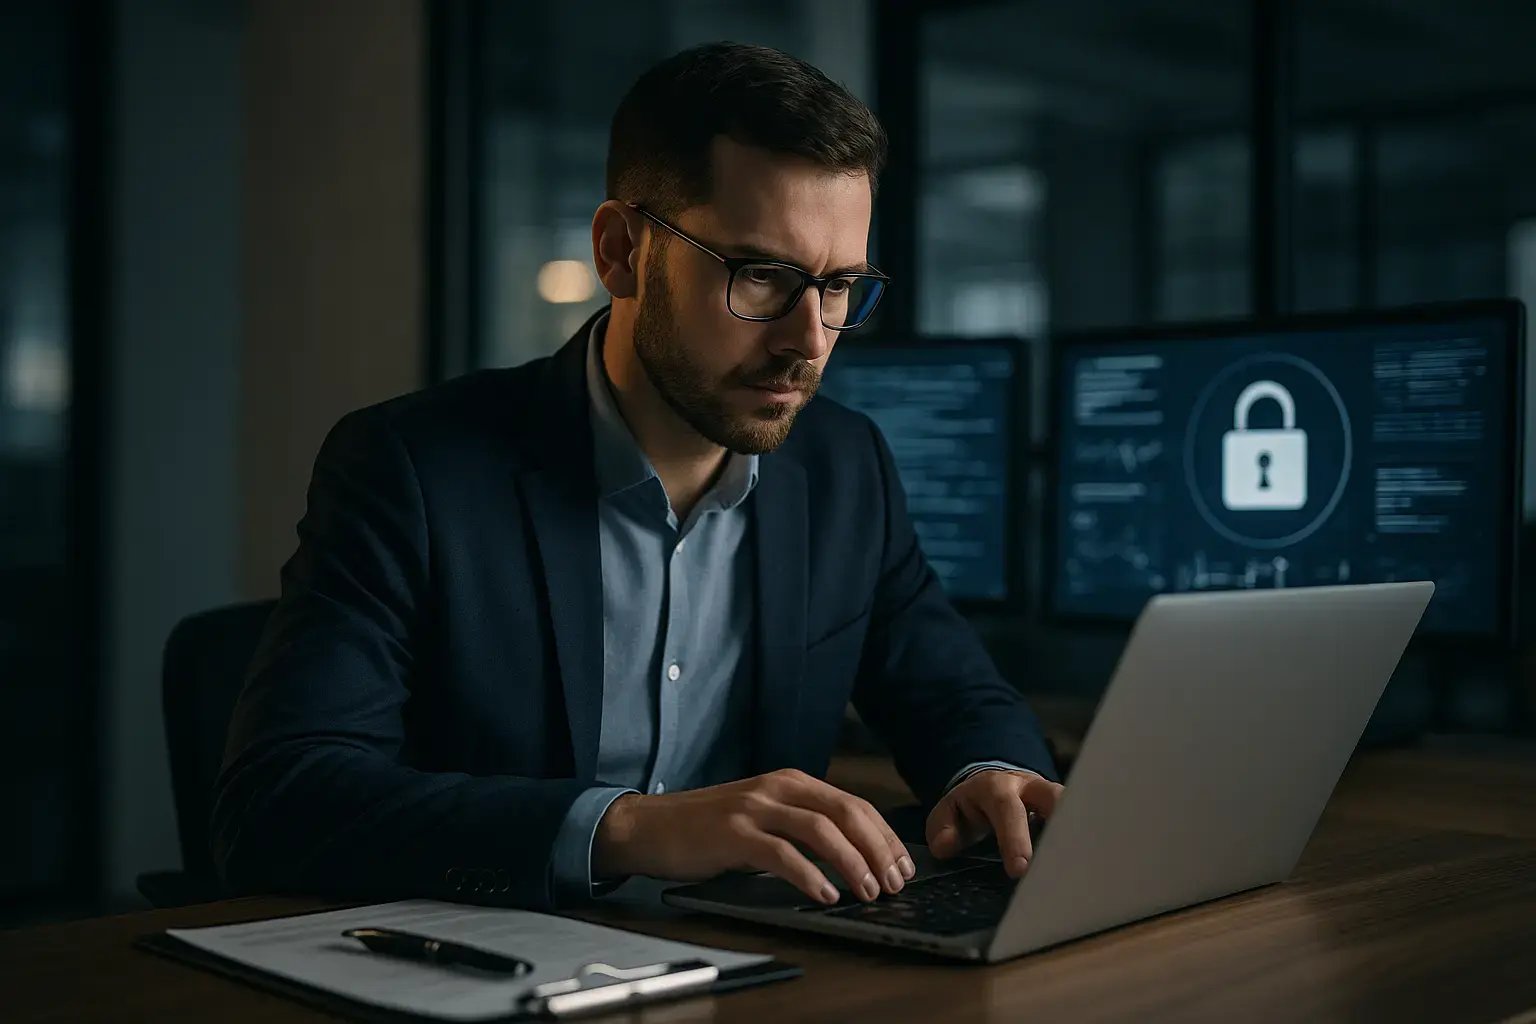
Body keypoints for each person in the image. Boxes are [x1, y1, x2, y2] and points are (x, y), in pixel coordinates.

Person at [212, 41, 1062, 913]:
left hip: (758, 966)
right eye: (762, 276)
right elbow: (279, 802)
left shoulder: (845, 466)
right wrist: (628, 828)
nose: (809, 339)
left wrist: (993, 772)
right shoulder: (413, 468)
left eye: (839, 285)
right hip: (496, 965)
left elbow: (951, 688)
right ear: (621, 252)